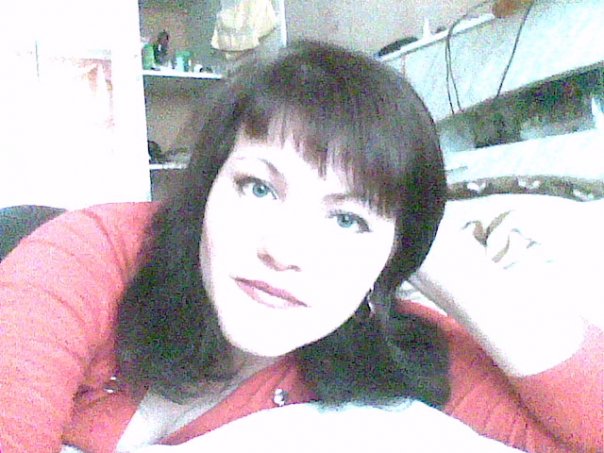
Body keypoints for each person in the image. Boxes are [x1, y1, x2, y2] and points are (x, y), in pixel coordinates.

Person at [0, 41, 601, 453]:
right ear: (208, 188)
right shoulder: (89, 257)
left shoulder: (374, 340)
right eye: (259, 187)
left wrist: (431, 244)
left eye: (347, 220)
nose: (285, 251)